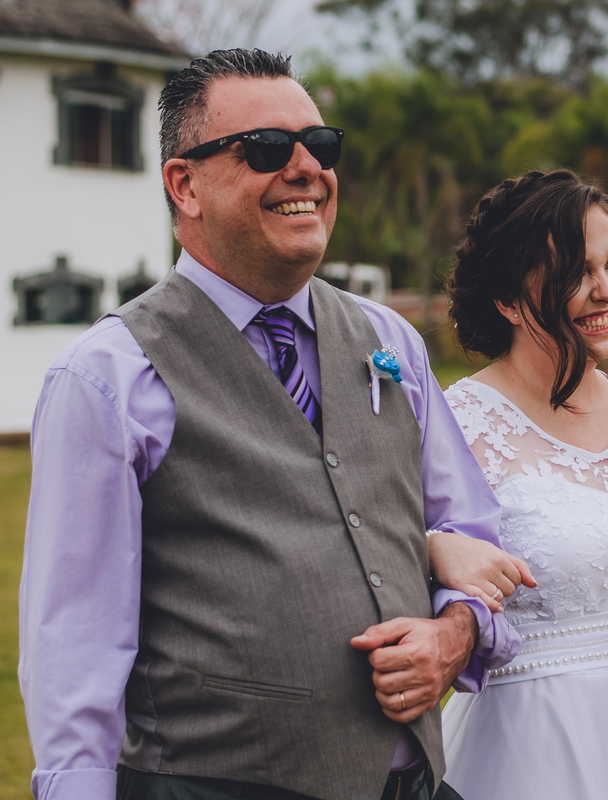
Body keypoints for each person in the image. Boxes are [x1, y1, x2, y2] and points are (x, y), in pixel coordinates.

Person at [18, 48, 528, 800]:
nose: (305, 169)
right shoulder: (106, 377)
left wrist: (455, 635)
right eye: (265, 148)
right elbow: (74, 648)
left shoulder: (391, 343)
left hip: (412, 782)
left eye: (320, 147)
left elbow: (472, 535)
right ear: (183, 185)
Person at [433, 169, 608, 800]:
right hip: (533, 749)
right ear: (509, 299)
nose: (605, 290)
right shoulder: (458, 422)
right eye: (574, 272)